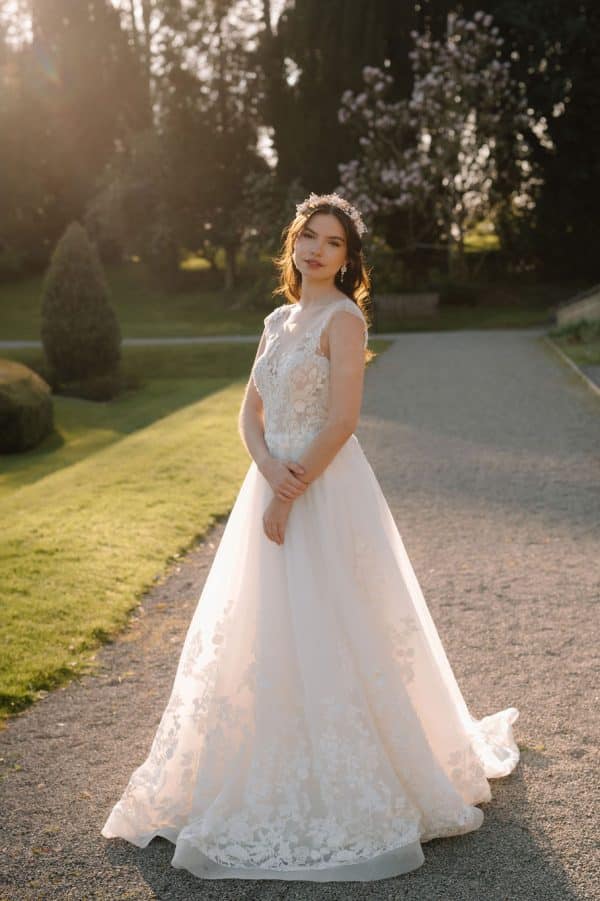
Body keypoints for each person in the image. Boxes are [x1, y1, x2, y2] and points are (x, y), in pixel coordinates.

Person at [101, 192, 519, 882]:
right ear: (293, 246)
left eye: (332, 242)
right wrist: (266, 472)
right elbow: (249, 411)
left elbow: (343, 419)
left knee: (337, 620)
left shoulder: (344, 319)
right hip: (270, 481)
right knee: (260, 628)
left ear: (347, 258)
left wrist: (291, 492)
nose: (317, 249)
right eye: (308, 238)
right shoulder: (276, 319)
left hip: (326, 488)